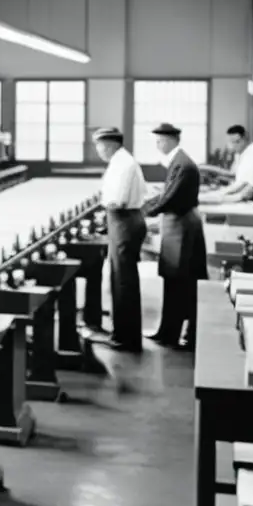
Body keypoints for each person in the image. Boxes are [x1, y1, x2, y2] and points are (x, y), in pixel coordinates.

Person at [143, 123, 208, 351]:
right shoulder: (180, 162)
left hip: (181, 226)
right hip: (177, 224)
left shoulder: (182, 164)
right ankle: (168, 331)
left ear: (169, 140)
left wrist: (144, 211)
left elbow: (169, 198)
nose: (158, 145)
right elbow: (166, 195)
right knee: (174, 278)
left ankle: (172, 333)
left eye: (159, 141)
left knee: (179, 280)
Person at [92, 127, 146, 352]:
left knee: (123, 282)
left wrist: (103, 208)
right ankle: (122, 333)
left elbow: (118, 200)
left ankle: (126, 337)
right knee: (119, 279)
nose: (98, 151)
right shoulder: (120, 161)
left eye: (99, 146)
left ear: (110, 145)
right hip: (121, 221)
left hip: (123, 221)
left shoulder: (124, 164)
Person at [202, 125, 253, 205]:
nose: (233, 145)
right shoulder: (242, 154)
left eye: (237, 142)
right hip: (246, 195)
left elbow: (252, 188)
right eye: (231, 142)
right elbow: (235, 176)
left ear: (245, 138)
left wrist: (223, 197)